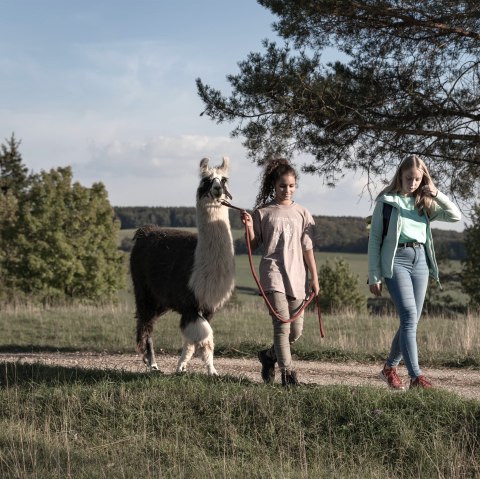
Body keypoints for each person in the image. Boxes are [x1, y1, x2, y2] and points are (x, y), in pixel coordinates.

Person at [368, 155, 461, 390]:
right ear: (400, 175)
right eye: (409, 178)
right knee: (409, 316)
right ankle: (416, 377)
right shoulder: (386, 201)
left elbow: (455, 216)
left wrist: (436, 193)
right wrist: (374, 275)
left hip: (420, 261)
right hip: (396, 260)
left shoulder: (424, 204)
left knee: (412, 320)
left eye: (418, 179)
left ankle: (389, 368)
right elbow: (375, 239)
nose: (413, 183)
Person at [241, 159, 320, 387]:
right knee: (282, 325)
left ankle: (268, 356)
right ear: (274, 186)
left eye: (291, 186)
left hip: (297, 276)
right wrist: (247, 226)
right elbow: (253, 244)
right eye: (283, 186)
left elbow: (308, 249)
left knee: (295, 331)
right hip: (272, 273)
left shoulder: (303, 213)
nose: (287, 190)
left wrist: (314, 277)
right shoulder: (262, 212)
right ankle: (288, 376)